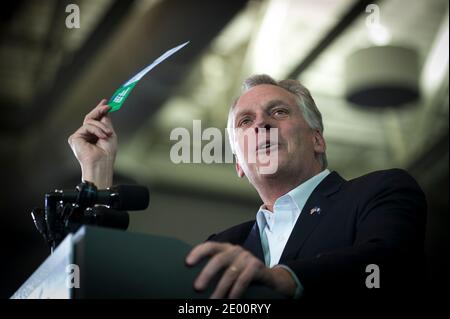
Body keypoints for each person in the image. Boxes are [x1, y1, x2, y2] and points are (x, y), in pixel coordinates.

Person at [68, 74, 426, 299]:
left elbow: (385, 265)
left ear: (318, 140)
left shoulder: (381, 190)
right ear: (239, 164)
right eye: (246, 121)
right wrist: (97, 171)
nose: (262, 125)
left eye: (279, 113)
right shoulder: (222, 247)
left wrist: (285, 279)